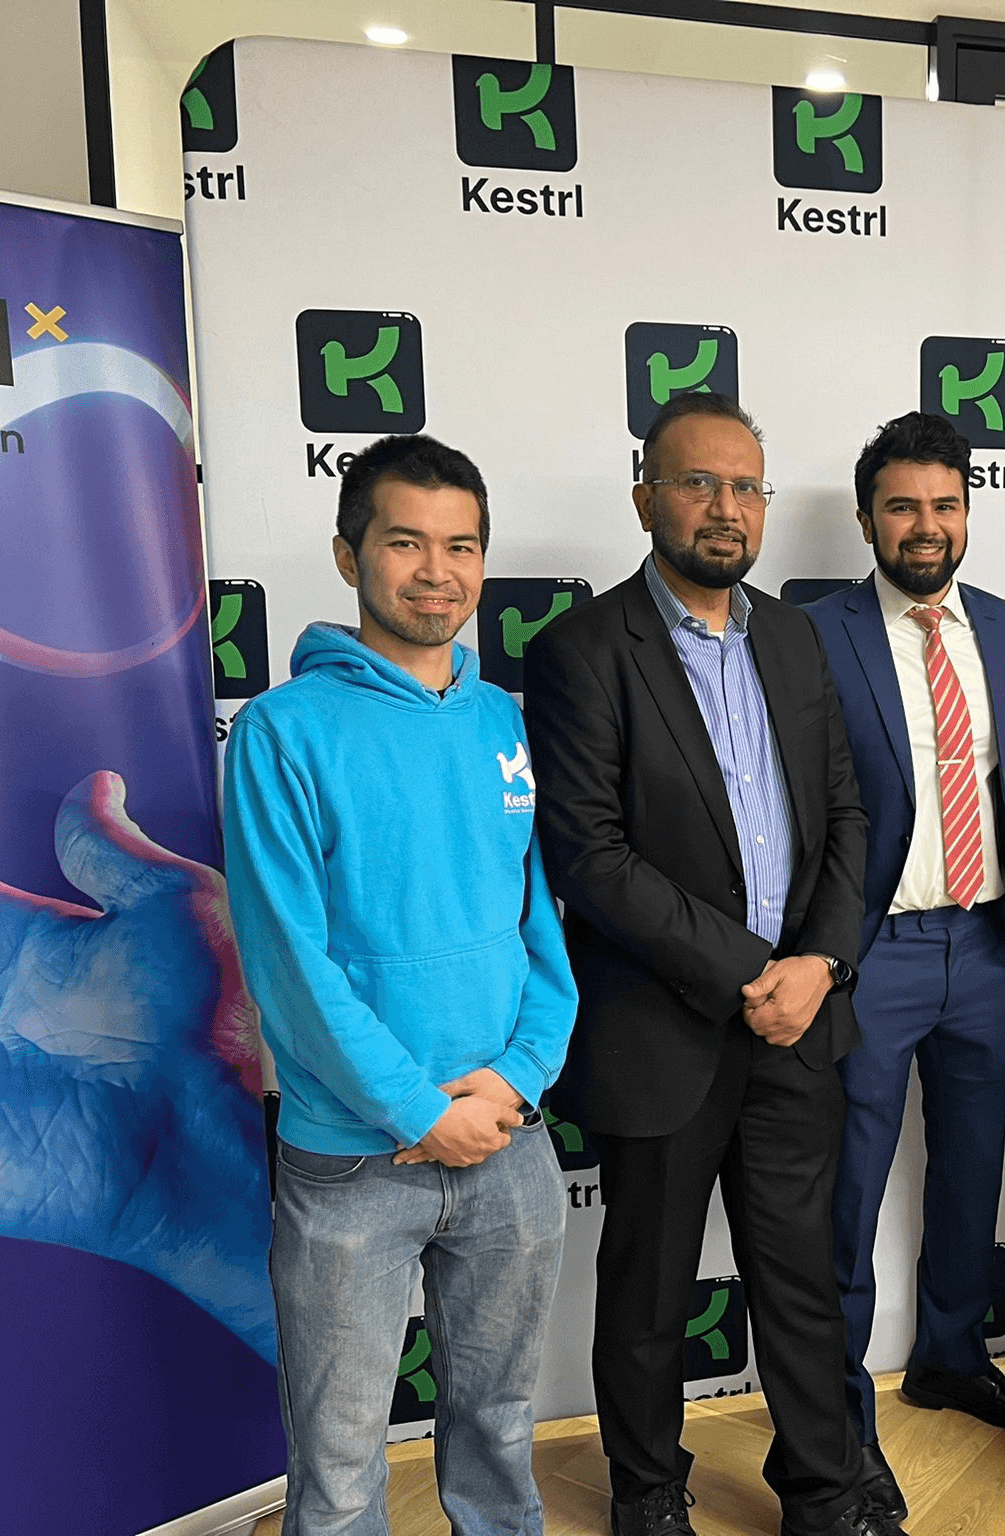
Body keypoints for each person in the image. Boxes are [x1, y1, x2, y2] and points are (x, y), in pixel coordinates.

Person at [523, 394, 900, 1536]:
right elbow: (590, 854)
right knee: (645, 1290)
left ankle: (823, 1491)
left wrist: (822, 961)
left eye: (746, 487)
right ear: (647, 496)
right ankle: (647, 1497)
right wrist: (753, 971)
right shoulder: (583, 651)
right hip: (665, 1029)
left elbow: (845, 812)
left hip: (802, 1020)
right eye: (698, 483)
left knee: (802, 1281)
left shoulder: (793, 634)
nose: (725, 508)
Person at [222, 433, 579, 1535]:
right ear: (348, 556)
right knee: (336, 1467)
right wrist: (423, 1112)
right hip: (351, 1164)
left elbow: (539, 933)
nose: (439, 571)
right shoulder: (282, 733)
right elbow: (291, 963)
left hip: (506, 1139)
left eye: (462, 545)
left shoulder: (500, 720)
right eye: (406, 542)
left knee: (501, 1429)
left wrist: (512, 1084)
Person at [804, 412, 1005, 1521]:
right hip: (875, 954)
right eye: (904, 506)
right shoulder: (814, 632)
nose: (927, 525)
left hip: (989, 944)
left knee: (970, 1173)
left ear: (969, 512)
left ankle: (952, 1356)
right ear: (868, 518)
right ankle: (840, 1423)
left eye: (946, 504)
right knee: (848, 1192)